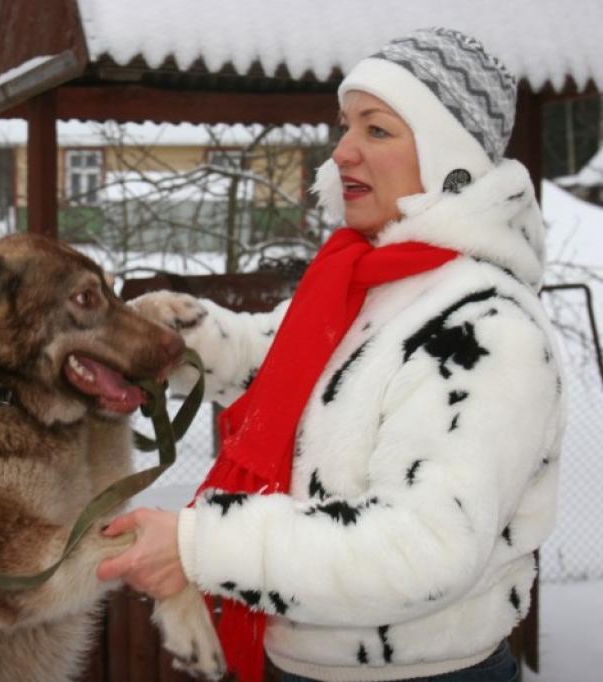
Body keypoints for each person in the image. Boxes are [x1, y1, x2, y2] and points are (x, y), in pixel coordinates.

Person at [98, 28, 565, 682]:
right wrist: (167, 338)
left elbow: (423, 547)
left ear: (446, 156)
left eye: (376, 130)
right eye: (345, 127)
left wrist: (203, 546)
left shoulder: (485, 325)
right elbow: (275, 360)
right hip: (302, 662)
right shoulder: (368, 284)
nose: (341, 151)